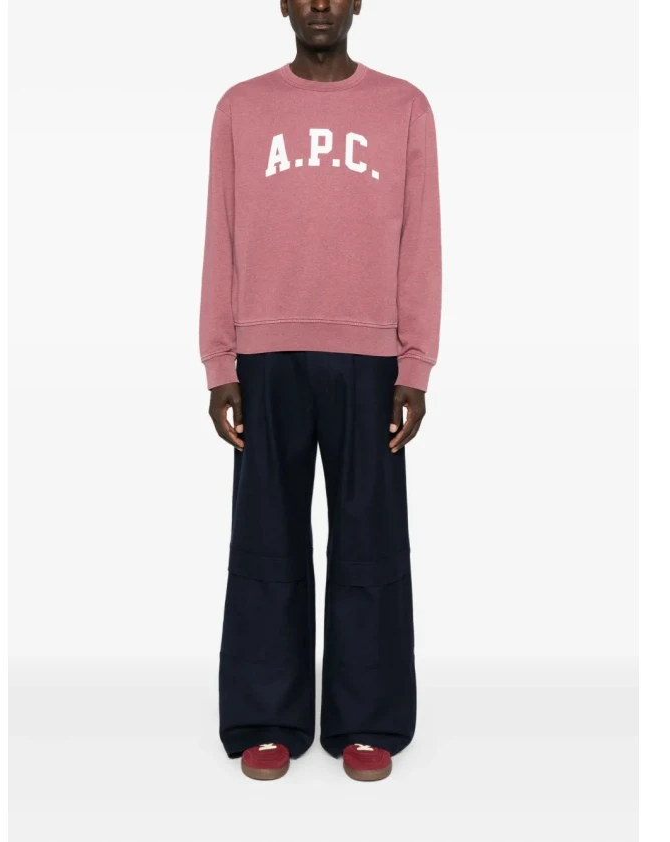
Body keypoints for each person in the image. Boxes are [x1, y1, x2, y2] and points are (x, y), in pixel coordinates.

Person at [199, 0, 441, 782]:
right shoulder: (241, 108)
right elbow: (219, 234)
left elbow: (421, 239)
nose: (320, 6)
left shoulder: (403, 107)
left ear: (358, 1)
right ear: (282, 2)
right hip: (264, 354)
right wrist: (219, 362)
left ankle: (366, 719)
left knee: (370, 541)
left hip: (369, 358)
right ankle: (265, 716)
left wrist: (414, 365)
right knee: (265, 540)